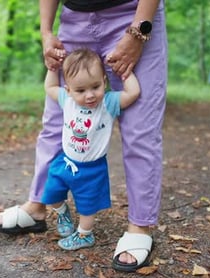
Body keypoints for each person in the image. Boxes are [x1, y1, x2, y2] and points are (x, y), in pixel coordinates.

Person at [0, 0, 167, 272]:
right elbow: (53, 91)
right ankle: (38, 205)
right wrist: (46, 32)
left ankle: (140, 226)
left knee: (140, 129)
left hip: (132, 13)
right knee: (56, 121)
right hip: (74, 19)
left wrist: (139, 29)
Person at [42, 48, 140, 251]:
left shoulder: (108, 102)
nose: (89, 95)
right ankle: (62, 213)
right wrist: (53, 68)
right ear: (68, 89)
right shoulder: (66, 100)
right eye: (80, 90)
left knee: (88, 206)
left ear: (104, 81)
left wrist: (125, 74)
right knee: (51, 193)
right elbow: (50, 86)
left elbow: (133, 93)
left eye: (95, 86)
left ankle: (85, 235)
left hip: (92, 169)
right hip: (66, 161)